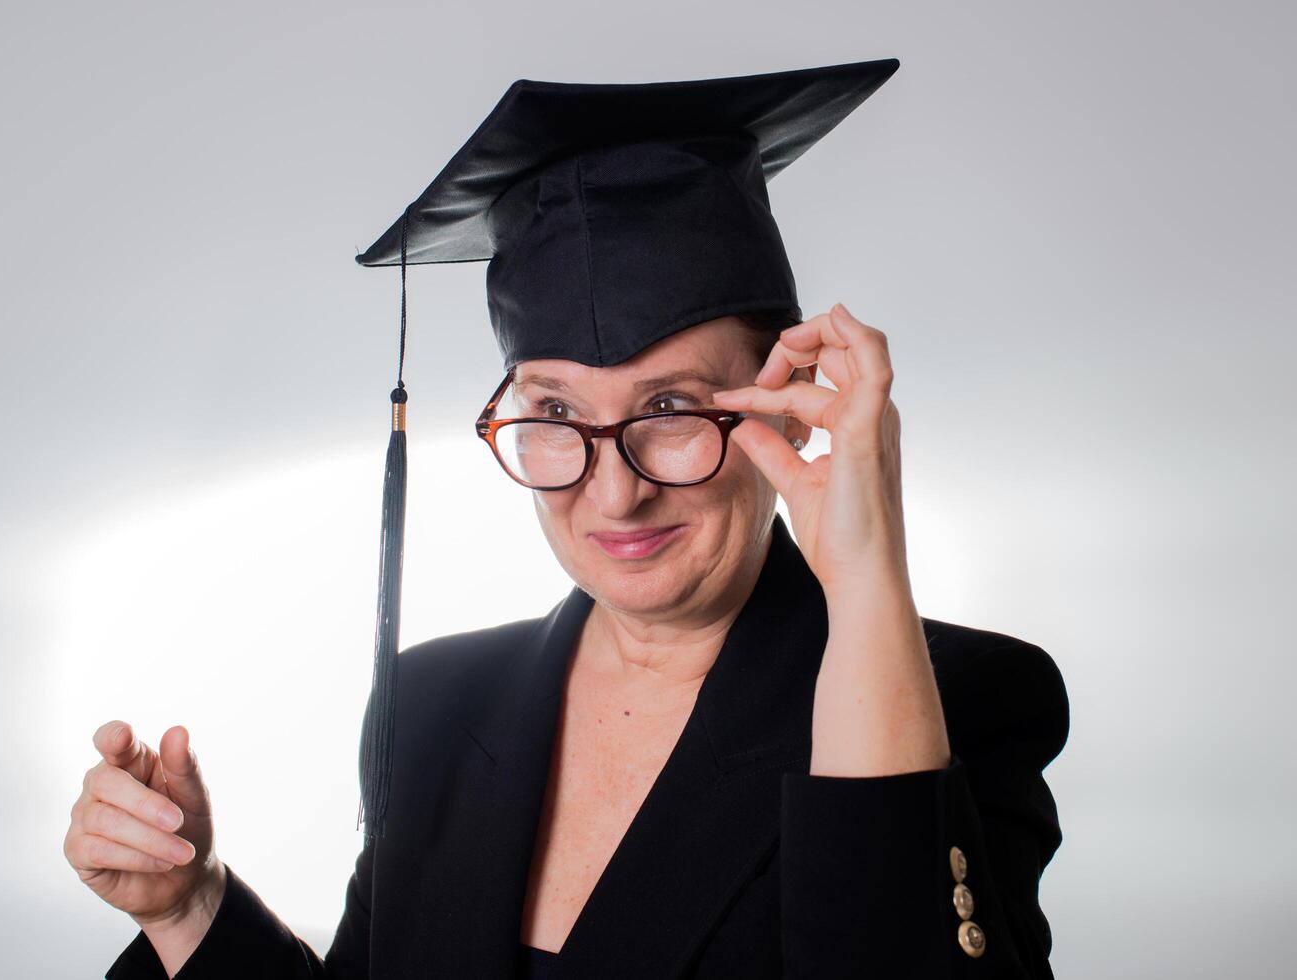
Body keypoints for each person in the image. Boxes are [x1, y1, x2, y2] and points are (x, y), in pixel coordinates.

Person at [64, 61, 1069, 978]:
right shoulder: (437, 703)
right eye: (553, 414)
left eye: (671, 409)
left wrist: (865, 582)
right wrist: (189, 905)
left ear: (786, 401)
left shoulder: (960, 701)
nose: (614, 489)